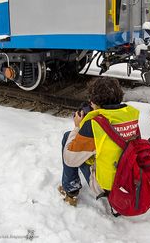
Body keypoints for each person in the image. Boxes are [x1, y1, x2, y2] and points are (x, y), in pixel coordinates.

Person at [59, 77, 141, 206]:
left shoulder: (93, 125)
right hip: (128, 178)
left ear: (94, 101)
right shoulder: (130, 116)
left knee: (68, 137)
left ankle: (70, 190)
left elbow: (70, 159)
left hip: (107, 186)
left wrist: (78, 127)